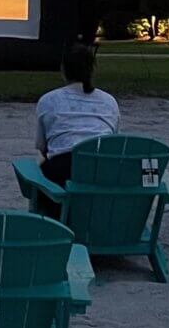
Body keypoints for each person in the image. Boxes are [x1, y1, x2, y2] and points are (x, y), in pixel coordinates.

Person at [34, 43, 119, 216]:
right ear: (91, 70)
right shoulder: (109, 102)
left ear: (63, 70)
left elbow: (43, 149)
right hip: (102, 176)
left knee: (40, 171)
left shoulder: (48, 101)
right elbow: (113, 140)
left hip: (62, 176)